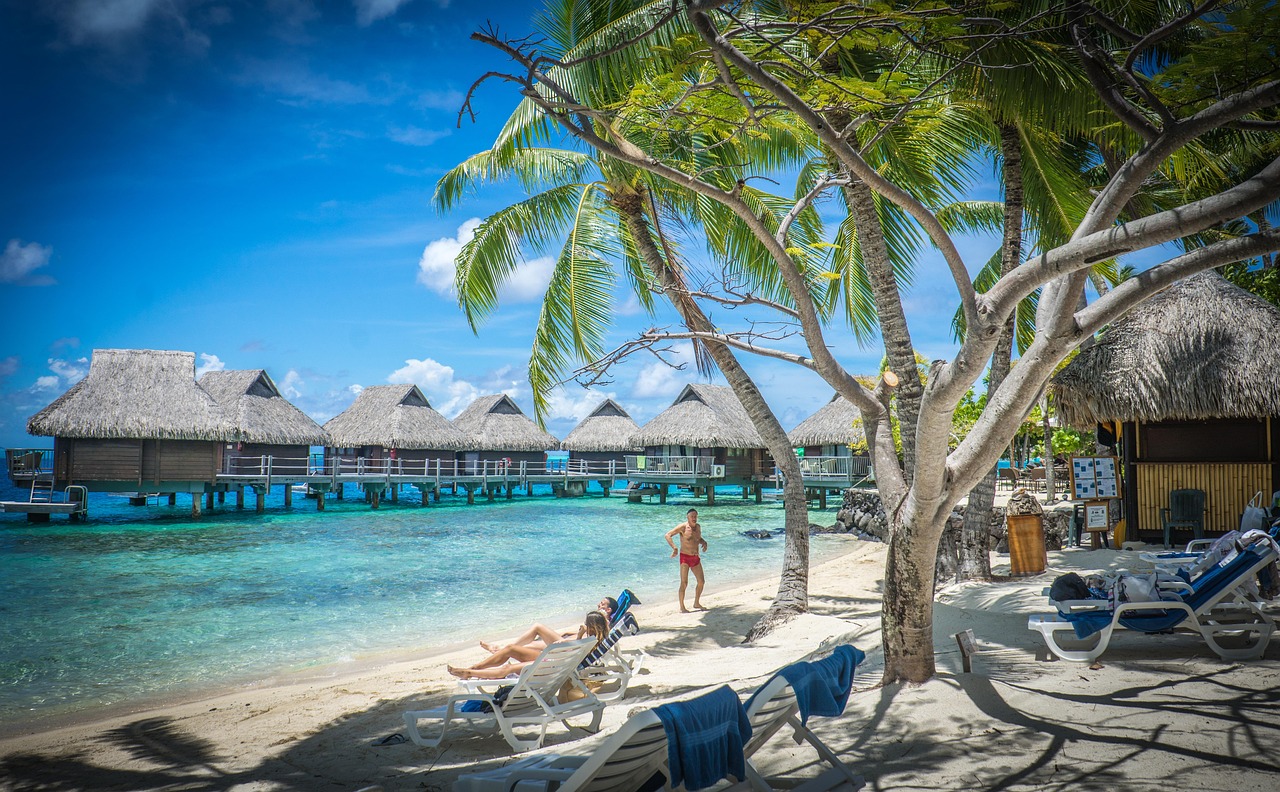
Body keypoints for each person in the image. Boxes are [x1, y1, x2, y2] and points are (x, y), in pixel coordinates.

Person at [449, 610, 609, 680]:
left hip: (554, 665)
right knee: (512, 650)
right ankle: (475, 667)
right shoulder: (594, 639)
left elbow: (571, 648)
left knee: (508, 668)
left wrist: (577, 636)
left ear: (592, 626)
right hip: (558, 661)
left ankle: (470, 672)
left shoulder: (587, 639)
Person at [477, 595, 617, 653]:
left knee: (538, 627)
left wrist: (603, 616)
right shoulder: (600, 624)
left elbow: (589, 635)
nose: (599, 604)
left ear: (609, 610)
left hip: (567, 646)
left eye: (602, 604)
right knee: (528, 646)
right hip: (567, 641)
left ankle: (498, 649)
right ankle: (498, 648)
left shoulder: (603, 623)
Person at [666, 508, 708, 612]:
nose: (694, 518)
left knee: (701, 581)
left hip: (695, 558)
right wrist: (674, 548)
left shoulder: (698, 527)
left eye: (695, 516)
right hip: (685, 558)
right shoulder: (683, 527)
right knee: (684, 583)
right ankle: (682, 607)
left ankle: (696, 603)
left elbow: (697, 539)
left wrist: (704, 542)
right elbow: (668, 535)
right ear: (687, 517)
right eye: (692, 516)